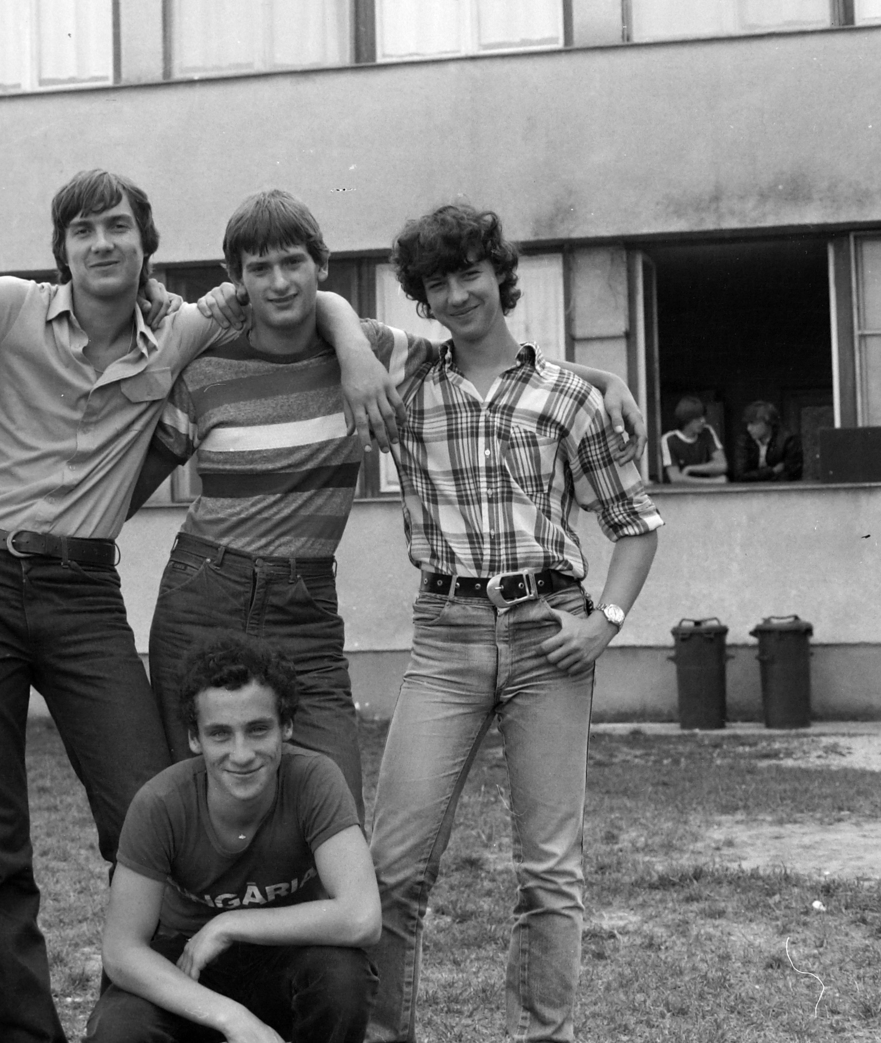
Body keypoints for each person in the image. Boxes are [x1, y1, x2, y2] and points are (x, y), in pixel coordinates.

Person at [0, 170, 402, 1043]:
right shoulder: (2, 307)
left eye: (118, 228)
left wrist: (355, 345)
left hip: (84, 592)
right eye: (84, 230)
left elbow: (291, 287)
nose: (102, 243)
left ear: (145, 246)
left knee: (144, 801)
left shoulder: (182, 329)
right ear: (61, 249)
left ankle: (143, 1013)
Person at [131, 190, 647, 820]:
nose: (279, 281)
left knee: (333, 807)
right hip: (205, 587)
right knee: (193, 797)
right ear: (236, 278)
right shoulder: (208, 370)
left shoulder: (377, 353)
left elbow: (488, 360)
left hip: (304, 602)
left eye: (293, 263)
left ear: (322, 264)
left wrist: (602, 378)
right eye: (259, 269)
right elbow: (130, 482)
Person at [363, 204, 663, 1043]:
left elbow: (635, 525)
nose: (458, 294)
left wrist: (604, 621)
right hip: (446, 630)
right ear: (421, 298)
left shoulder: (570, 397)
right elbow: (321, 320)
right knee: (393, 864)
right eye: (437, 283)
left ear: (500, 274)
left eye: (471, 273)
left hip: (549, 632)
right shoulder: (407, 387)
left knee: (550, 870)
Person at [86, 634, 381, 1043]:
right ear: (195, 739)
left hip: (286, 958)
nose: (241, 754)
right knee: (119, 1028)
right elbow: (121, 951)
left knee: (343, 979)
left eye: (258, 729)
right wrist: (231, 1017)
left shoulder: (315, 780)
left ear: (286, 727)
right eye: (220, 734)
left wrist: (229, 924)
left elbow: (362, 917)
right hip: (188, 962)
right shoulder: (161, 802)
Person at [659, 395, 727, 484]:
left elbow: (722, 465)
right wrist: (713, 481)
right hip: (677, 491)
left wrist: (690, 468)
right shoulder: (669, 439)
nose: (703, 421)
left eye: (703, 416)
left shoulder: (707, 431)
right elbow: (675, 477)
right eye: (698, 418)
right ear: (686, 419)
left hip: (705, 491)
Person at [733, 400, 803, 482]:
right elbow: (740, 476)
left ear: (768, 422)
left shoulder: (788, 440)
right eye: (748, 424)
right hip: (750, 488)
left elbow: (792, 474)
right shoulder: (744, 440)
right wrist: (772, 471)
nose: (749, 428)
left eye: (753, 423)